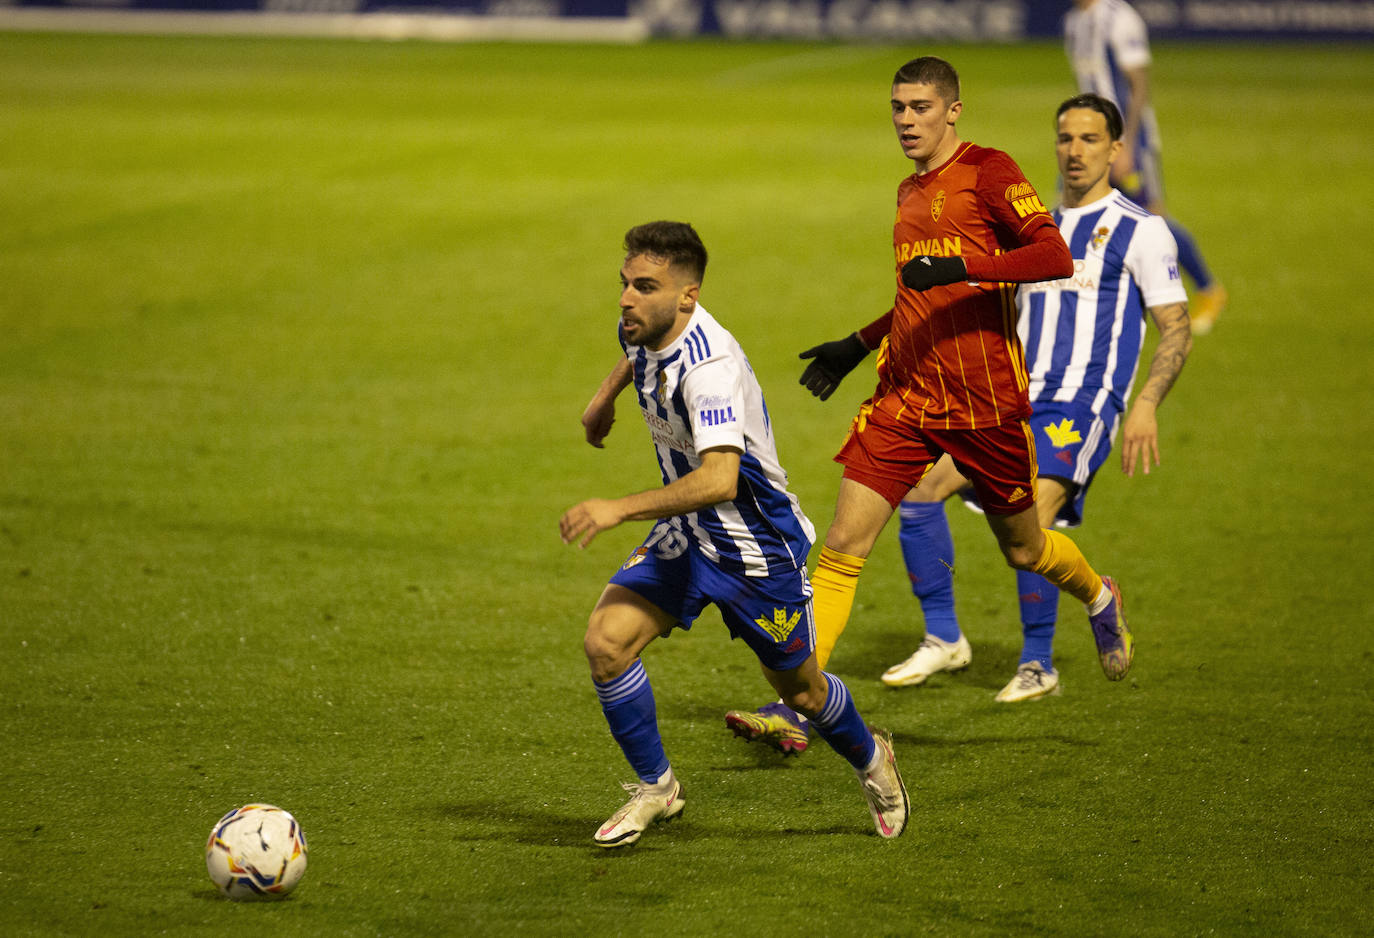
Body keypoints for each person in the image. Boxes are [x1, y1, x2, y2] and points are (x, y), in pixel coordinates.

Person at [725, 58, 1131, 755]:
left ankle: (1099, 595)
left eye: (919, 107)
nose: (907, 120)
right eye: (897, 108)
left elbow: (1053, 255)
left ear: (953, 111)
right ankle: (796, 703)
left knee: (1025, 547)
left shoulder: (989, 171)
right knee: (843, 549)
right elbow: (921, 295)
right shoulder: (908, 191)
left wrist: (966, 266)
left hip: (985, 404)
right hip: (908, 398)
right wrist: (857, 343)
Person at [797, 93, 1192, 706]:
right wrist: (859, 342)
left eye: (1089, 139)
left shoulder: (1142, 232)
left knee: (1030, 531)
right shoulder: (1022, 229)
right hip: (1012, 389)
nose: (1074, 150)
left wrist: (1145, 403)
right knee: (927, 500)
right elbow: (940, 293)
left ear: (1116, 149)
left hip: (1083, 402)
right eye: (1065, 137)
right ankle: (940, 639)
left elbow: (1177, 326)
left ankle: (1041, 660)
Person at [561, 220, 908, 847]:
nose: (626, 299)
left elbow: (720, 480)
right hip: (686, 535)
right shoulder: (645, 323)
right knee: (607, 644)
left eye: (644, 286)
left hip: (755, 547)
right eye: (625, 284)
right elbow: (635, 352)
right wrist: (603, 399)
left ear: (688, 296)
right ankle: (657, 788)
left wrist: (618, 507)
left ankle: (872, 760)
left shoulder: (711, 369)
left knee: (800, 692)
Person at [1064, 0, 1226, 334]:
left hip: (1127, 141)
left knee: (1152, 220)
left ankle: (1209, 289)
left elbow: (1137, 84)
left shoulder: (1118, 17)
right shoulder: (1075, 22)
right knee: (1074, 214)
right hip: (1090, 139)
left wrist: (1127, 144)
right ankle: (1088, 306)